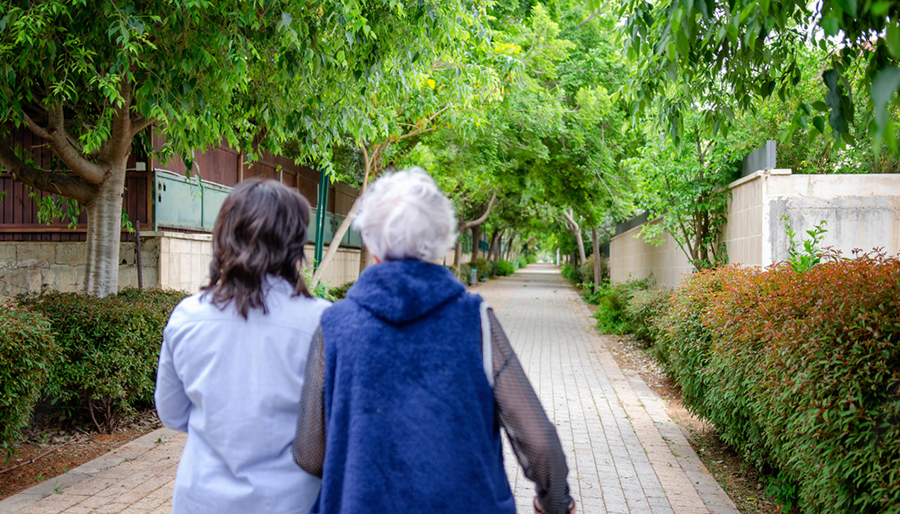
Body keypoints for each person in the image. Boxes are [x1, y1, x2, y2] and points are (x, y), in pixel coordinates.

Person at [293, 169, 576, 514]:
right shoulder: (474, 318)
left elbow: (310, 454)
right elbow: (538, 440)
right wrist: (555, 501)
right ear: (441, 240)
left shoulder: (333, 326)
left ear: (371, 241)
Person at [155, 177, 328, 514]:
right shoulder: (323, 322)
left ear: (224, 235)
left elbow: (172, 413)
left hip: (200, 499)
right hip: (291, 502)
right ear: (294, 241)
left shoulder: (186, 316)